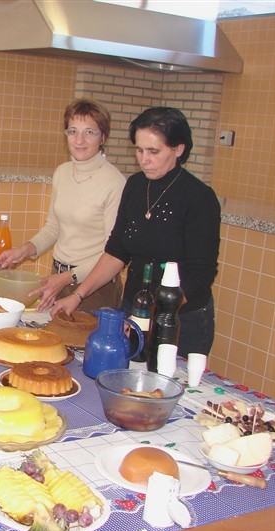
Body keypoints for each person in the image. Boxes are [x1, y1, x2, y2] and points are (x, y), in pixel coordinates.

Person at [52, 107, 221, 357]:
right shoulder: (135, 186)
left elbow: (200, 276)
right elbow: (116, 252)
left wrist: (153, 315)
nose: (144, 159)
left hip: (180, 318)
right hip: (134, 309)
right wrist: (78, 295)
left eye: (154, 151)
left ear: (178, 149)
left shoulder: (199, 198)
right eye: (139, 150)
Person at [0, 99, 125, 312]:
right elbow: (53, 227)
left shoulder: (115, 183)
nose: (79, 140)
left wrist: (68, 277)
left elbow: (112, 251)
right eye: (73, 131)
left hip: (95, 286)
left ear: (103, 137)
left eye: (89, 132)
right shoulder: (62, 172)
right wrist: (24, 250)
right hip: (59, 276)